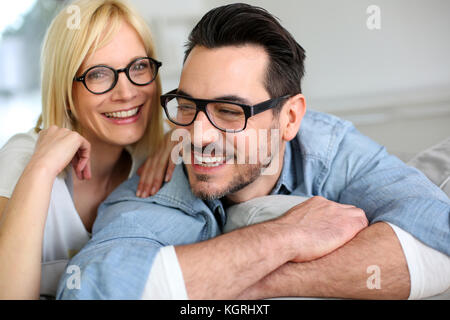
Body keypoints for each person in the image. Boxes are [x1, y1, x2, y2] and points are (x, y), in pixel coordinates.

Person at [57, 3, 450, 300]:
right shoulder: (155, 187)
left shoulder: (330, 150)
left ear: (290, 117)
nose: (198, 134)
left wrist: (252, 280)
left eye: (229, 111)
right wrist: (286, 236)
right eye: (188, 105)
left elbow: (438, 233)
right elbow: (93, 287)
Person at [0, 0, 175, 299]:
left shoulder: (157, 162)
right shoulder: (24, 158)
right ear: (66, 93)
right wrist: (41, 170)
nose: (127, 92)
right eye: (98, 74)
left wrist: (182, 134)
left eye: (139, 66)